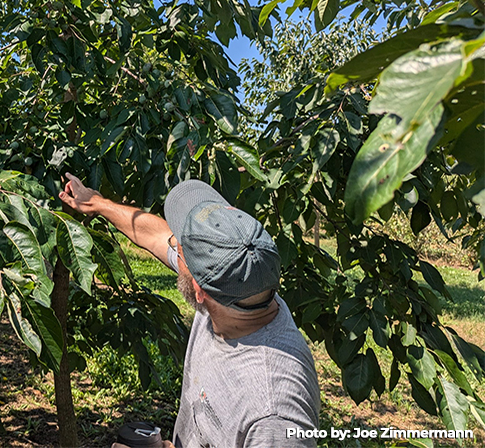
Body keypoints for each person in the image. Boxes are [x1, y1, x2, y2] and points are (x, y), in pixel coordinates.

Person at [58, 173, 320, 447]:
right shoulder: (248, 287)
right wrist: (97, 204)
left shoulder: (273, 414)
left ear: (198, 289)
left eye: (178, 249)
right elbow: (156, 235)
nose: (172, 245)